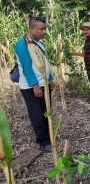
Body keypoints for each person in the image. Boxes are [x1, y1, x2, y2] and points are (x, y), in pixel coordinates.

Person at [15, 17, 55, 152]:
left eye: (45, 29)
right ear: (32, 28)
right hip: (31, 86)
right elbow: (27, 66)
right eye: (41, 29)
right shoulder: (23, 44)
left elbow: (44, 63)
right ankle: (43, 141)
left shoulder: (38, 43)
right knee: (37, 113)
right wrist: (34, 85)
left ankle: (48, 136)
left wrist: (50, 78)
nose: (44, 32)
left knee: (45, 110)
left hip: (43, 82)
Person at [70, 22, 90, 108]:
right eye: (84, 30)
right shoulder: (87, 40)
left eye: (87, 29)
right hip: (89, 66)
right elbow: (87, 54)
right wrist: (75, 53)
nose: (86, 31)